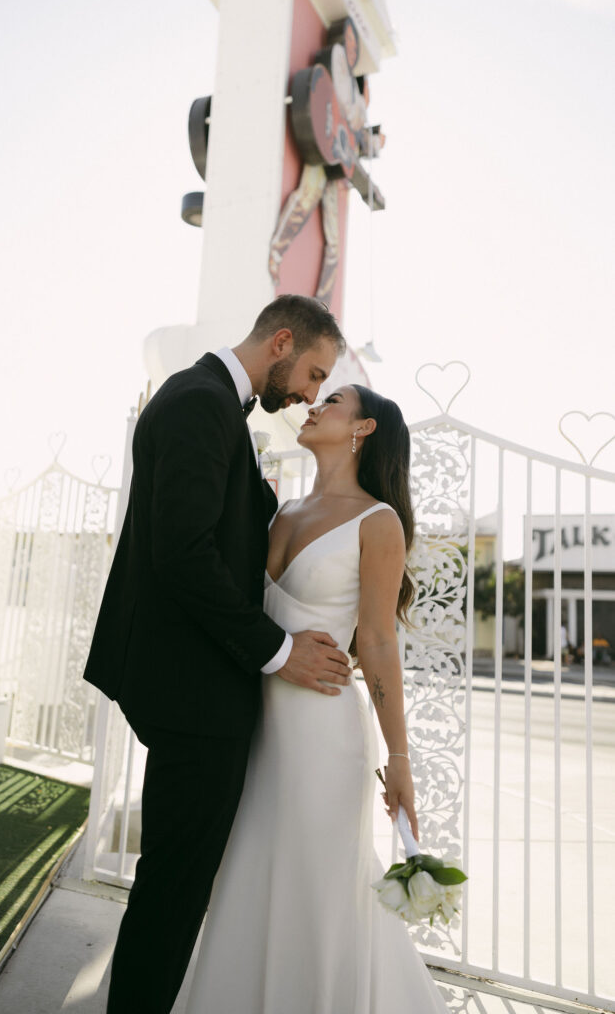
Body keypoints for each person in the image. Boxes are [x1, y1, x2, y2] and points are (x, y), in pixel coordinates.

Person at [83, 294, 351, 1014]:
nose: (309, 394)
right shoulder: (201, 402)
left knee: (175, 881)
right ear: (282, 342)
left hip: (191, 685)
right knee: (174, 887)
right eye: (313, 374)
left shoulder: (206, 403)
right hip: (194, 694)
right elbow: (182, 556)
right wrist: (277, 652)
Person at [181, 385, 450, 1013]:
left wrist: (401, 759)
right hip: (257, 723)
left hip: (324, 733)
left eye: (332, 400)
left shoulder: (377, 521)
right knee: (250, 876)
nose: (314, 406)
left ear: (363, 430)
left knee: (317, 887)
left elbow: (379, 642)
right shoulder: (281, 511)